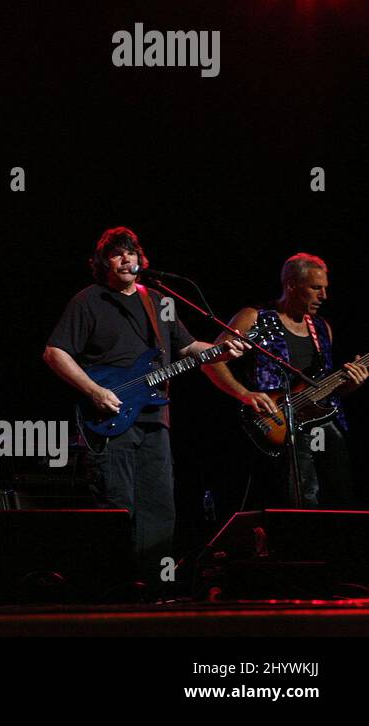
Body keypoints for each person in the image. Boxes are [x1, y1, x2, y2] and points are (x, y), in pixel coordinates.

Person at [42, 226, 245, 587]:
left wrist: (221, 350)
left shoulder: (157, 301)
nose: (126, 259)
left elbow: (186, 348)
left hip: (155, 421)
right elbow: (55, 352)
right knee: (118, 506)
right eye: (117, 254)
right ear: (103, 262)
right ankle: (113, 589)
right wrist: (94, 391)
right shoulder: (88, 301)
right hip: (109, 419)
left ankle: (152, 588)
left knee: (159, 508)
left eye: (131, 253)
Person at [204, 253, 366, 507]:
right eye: (315, 288)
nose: (323, 296)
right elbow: (210, 360)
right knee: (302, 497)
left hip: (319, 425)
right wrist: (244, 394)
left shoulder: (322, 327)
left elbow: (323, 392)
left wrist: (351, 384)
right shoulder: (255, 317)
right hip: (276, 425)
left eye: (325, 289)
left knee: (340, 493)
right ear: (291, 285)